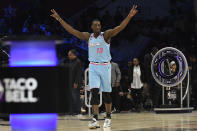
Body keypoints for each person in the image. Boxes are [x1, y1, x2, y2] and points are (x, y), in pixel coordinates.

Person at [50, 5, 138, 129]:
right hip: (93, 67)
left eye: (99, 25)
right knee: (94, 93)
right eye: (95, 25)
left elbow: (119, 28)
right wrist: (59, 19)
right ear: (92, 27)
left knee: (107, 95)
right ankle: (95, 119)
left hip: (105, 67)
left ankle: (108, 117)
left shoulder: (106, 35)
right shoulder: (88, 36)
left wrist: (129, 16)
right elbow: (72, 30)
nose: (98, 27)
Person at [68, 49, 82, 115]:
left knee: (76, 97)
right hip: (70, 82)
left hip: (75, 83)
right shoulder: (71, 62)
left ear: (74, 55)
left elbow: (78, 74)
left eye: (70, 55)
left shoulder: (78, 62)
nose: (69, 56)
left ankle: (78, 111)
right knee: (72, 97)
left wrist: (76, 82)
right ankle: (72, 111)